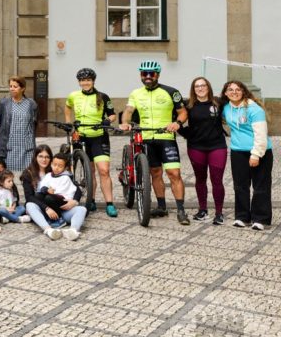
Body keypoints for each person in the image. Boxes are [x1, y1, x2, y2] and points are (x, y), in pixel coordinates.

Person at [120, 60, 190, 224]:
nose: (148, 76)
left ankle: (181, 211)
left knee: (174, 174)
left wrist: (177, 123)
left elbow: (182, 112)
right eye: (145, 74)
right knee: (155, 174)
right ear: (141, 75)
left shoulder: (171, 92)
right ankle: (161, 207)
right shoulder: (136, 93)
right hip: (146, 139)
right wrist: (125, 122)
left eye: (152, 73)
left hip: (166, 138)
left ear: (158, 74)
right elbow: (128, 111)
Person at [64, 68, 118, 216]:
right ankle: (91, 200)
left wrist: (107, 120)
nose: (85, 83)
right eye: (82, 80)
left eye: (88, 80)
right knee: (90, 171)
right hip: (81, 137)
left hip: (99, 136)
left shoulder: (102, 96)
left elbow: (112, 115)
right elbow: (68, 107)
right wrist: (69, 122)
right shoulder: (73, 96)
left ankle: (110, 203)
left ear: (93, 81)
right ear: (79, 82)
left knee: (104, 170)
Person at [221, 80, 273, 230]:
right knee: (240, 186)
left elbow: (261, 135)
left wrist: (256, 154)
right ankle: (242, 217)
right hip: (238, 152)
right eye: (230, 90)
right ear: (225, 93)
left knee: (260, 186)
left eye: (238, 89)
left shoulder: (254, 109)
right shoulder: (226, 108)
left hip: (259, 152)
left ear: (243, 91)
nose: (234, 92)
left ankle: (261, 218)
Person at [178, 77, 228, 224]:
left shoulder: (218, 102)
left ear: (208, 87)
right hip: (196, 147)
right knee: (200, 179)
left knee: (217, 180)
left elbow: (236, 101)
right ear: (193, 90)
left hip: (217, 146)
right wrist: (188, 134)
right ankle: (203, 210)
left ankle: (219, 213)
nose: (200, 88)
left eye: (203, 85)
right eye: (197, 86)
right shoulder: (188, 105)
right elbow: (177, 121)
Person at [27, 152, 87, 240]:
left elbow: (76, 189)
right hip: (46, 210)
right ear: (51, 164)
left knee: (82, 209)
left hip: (62, 209)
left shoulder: (66, 177)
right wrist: (47, 205)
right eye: (55, 165)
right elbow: (39, 191)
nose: (56, 167)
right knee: (30, 204)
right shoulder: (43, 175)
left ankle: (73, 231)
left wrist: (74, 201)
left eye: (60, 166)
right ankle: (48, 230)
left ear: (65, 168)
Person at [0, 76, 38, 176]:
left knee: (29, 175)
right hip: (9, 146)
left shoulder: (31, 104)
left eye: (15, 86)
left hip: (26, 146)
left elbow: (34, 123)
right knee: (7, 176)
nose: (12, 89)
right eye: (10, 86)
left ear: (23, 88)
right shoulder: (3, 103)